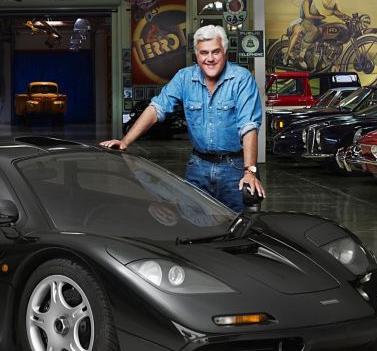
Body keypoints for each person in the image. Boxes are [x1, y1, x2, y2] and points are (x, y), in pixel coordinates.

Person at [100, 24, 265, 212]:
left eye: (215, 52)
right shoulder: (184, 78)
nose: (210, 58)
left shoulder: (241, 79)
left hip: (234, 167)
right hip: (198, 166)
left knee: (238, 221)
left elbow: (248, 126)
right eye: (204, 53)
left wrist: (249, 171)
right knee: (193, 220)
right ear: (196, 55)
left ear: (225, 52)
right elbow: (156, 108)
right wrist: (125, 141)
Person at [297, 0, 348, 69]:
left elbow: (340, 12)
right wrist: (334, 12)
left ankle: (325, 55)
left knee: (331, 29)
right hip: (309, 21)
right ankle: (301, 56)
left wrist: (346, 18)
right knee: (314, 30)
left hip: (318, 22)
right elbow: (323, 12)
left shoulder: (335, 0)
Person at [284, 0, 320, 65]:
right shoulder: (306, 1)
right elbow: (307, 15)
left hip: (306, 23)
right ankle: (287, 54)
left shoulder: (314, 4)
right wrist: (319, 17)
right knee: (298, 31)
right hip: (300, 22)